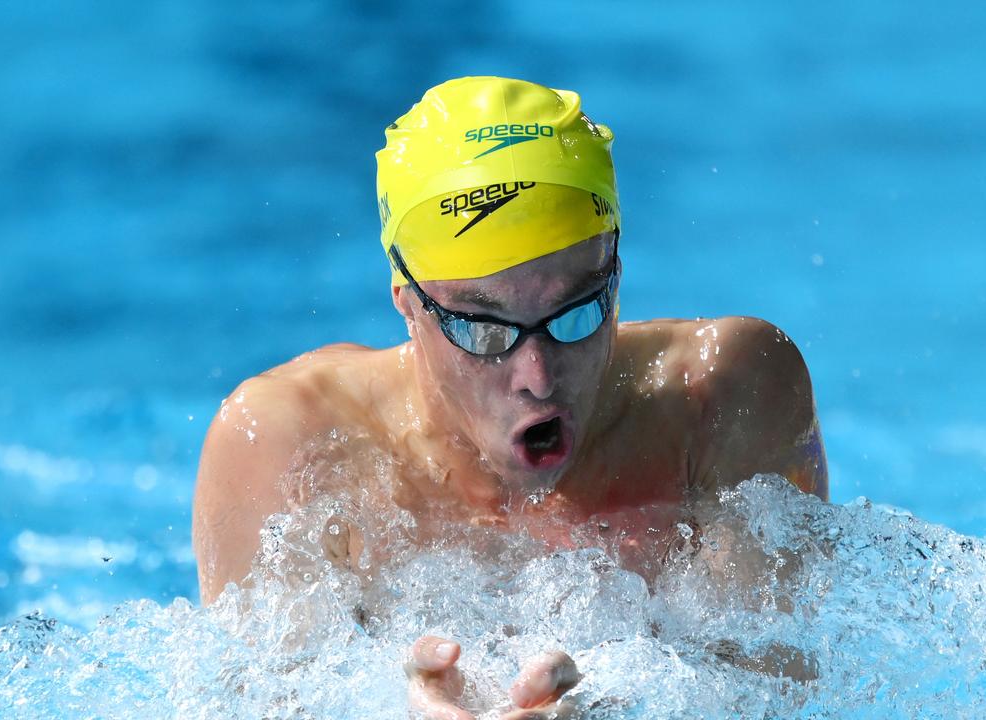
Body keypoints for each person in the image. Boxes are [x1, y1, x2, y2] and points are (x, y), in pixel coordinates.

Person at [192, 76, 829, 718]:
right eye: (482, 327)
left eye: (575, 312)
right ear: (408, 305)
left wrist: (616, 708)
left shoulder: (717, 397)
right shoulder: (288, 442)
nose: (537, 374)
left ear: (616, 274)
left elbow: (779, 693)